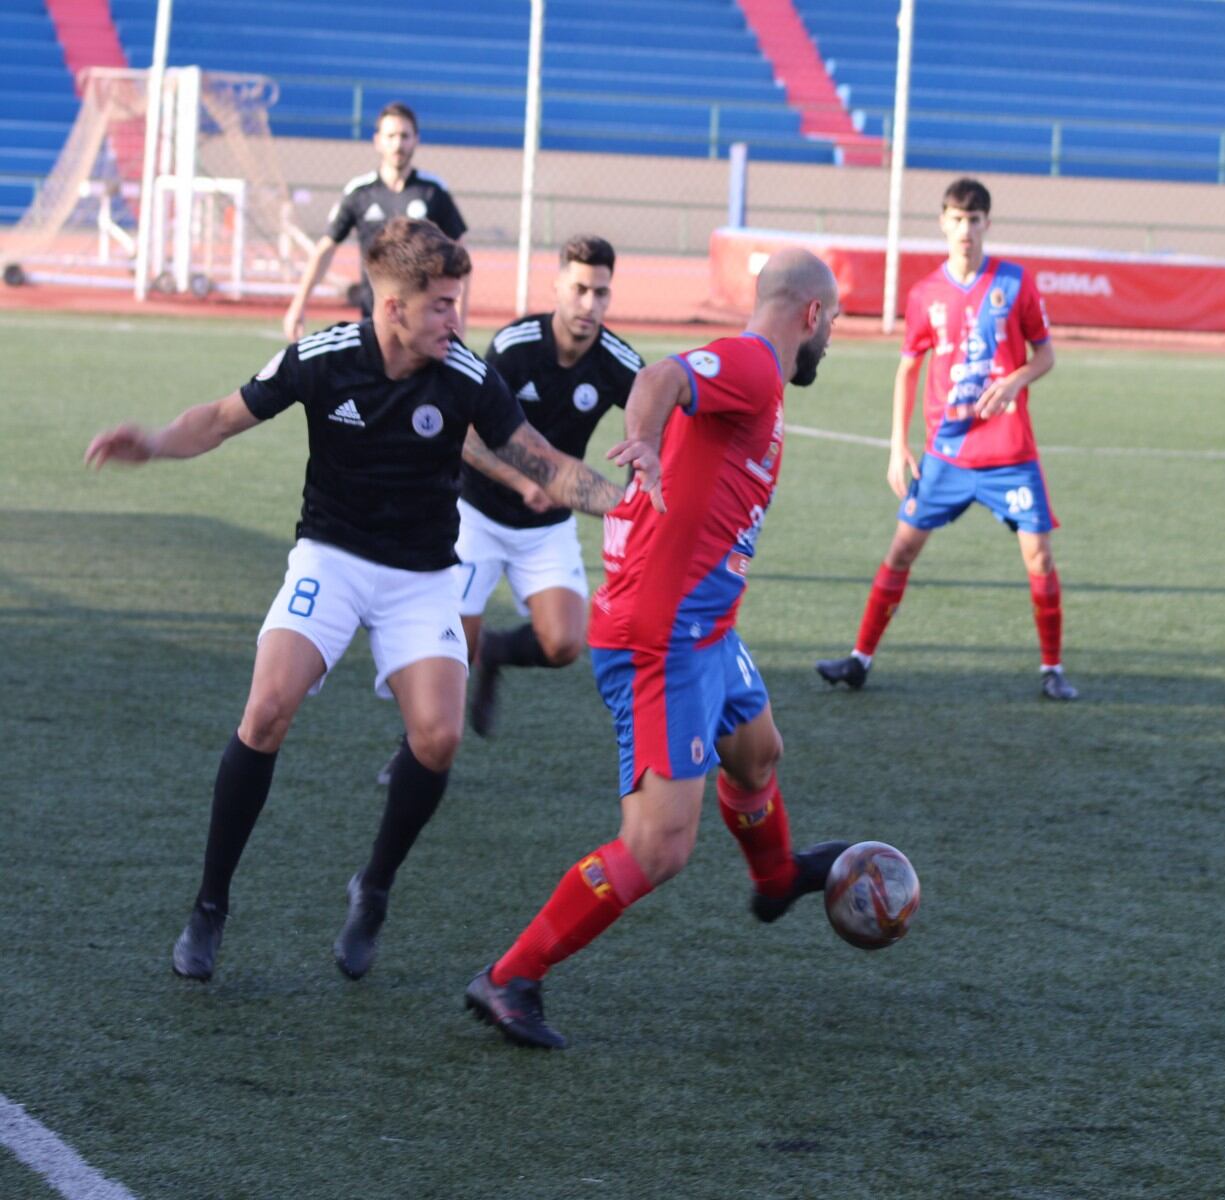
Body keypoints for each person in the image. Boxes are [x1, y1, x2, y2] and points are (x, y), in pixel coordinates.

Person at [84, 218, 639, 984]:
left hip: (421, 575)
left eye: (458, 302)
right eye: (442, 305)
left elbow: (542, 462)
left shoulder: (466, 375)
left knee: (439, 738)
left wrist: (632, 506)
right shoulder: (325, 358)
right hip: (333, 558)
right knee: (267, 708)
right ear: (392, 308)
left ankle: (372, 888)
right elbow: (219, 419)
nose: (457, 319)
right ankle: (210, 904)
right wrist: (150, 441)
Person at [463, 248, 846, 1050]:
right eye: (834, 324)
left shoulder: (758, 377)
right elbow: (660, 377)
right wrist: (641, 440)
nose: (831, 340)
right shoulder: (753, 363)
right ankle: (509, 977)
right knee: (660, 845)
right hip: (660, 636)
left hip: (706, 625)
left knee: (758, 752)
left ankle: (774, 880)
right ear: (811, 315)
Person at [374, 235, 642, 786]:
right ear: (557, 287)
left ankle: (498, 650)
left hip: (548, 525)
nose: (589, 305)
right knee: (449, 652)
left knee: (565, 643)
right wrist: (524, 479)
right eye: (580, 290)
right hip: (476, 514)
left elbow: (652, 430)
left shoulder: (619, 362)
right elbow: (465, 437)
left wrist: (642, 474)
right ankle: (412, 747)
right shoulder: (516, 346)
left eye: (601, 294)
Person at [816, 177, 1078, 702]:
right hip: (946, 454)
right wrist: (898, 444)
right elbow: (907, 370)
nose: (965, 230)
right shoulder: (925, 294)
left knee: (1040, 560)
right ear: (943, 222)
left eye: (975, 220)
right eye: (957, 219)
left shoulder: (1015, 282)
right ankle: (860, 659)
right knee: (901, 551)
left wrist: (1015, 379)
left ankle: (1052, 668)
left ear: (987, 224)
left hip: (1009, 454)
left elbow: (1045, 354)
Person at [281, 102, 469, 341]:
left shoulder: (433, 191)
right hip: (374, 322)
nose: (398, 144)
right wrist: (298, 304)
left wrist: (458, 319)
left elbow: (460, 256)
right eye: (391, 136)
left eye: (404, 136)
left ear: (416, 140)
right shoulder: (360, 192)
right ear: (378, 140)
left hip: (424, 326)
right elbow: (326, 249)